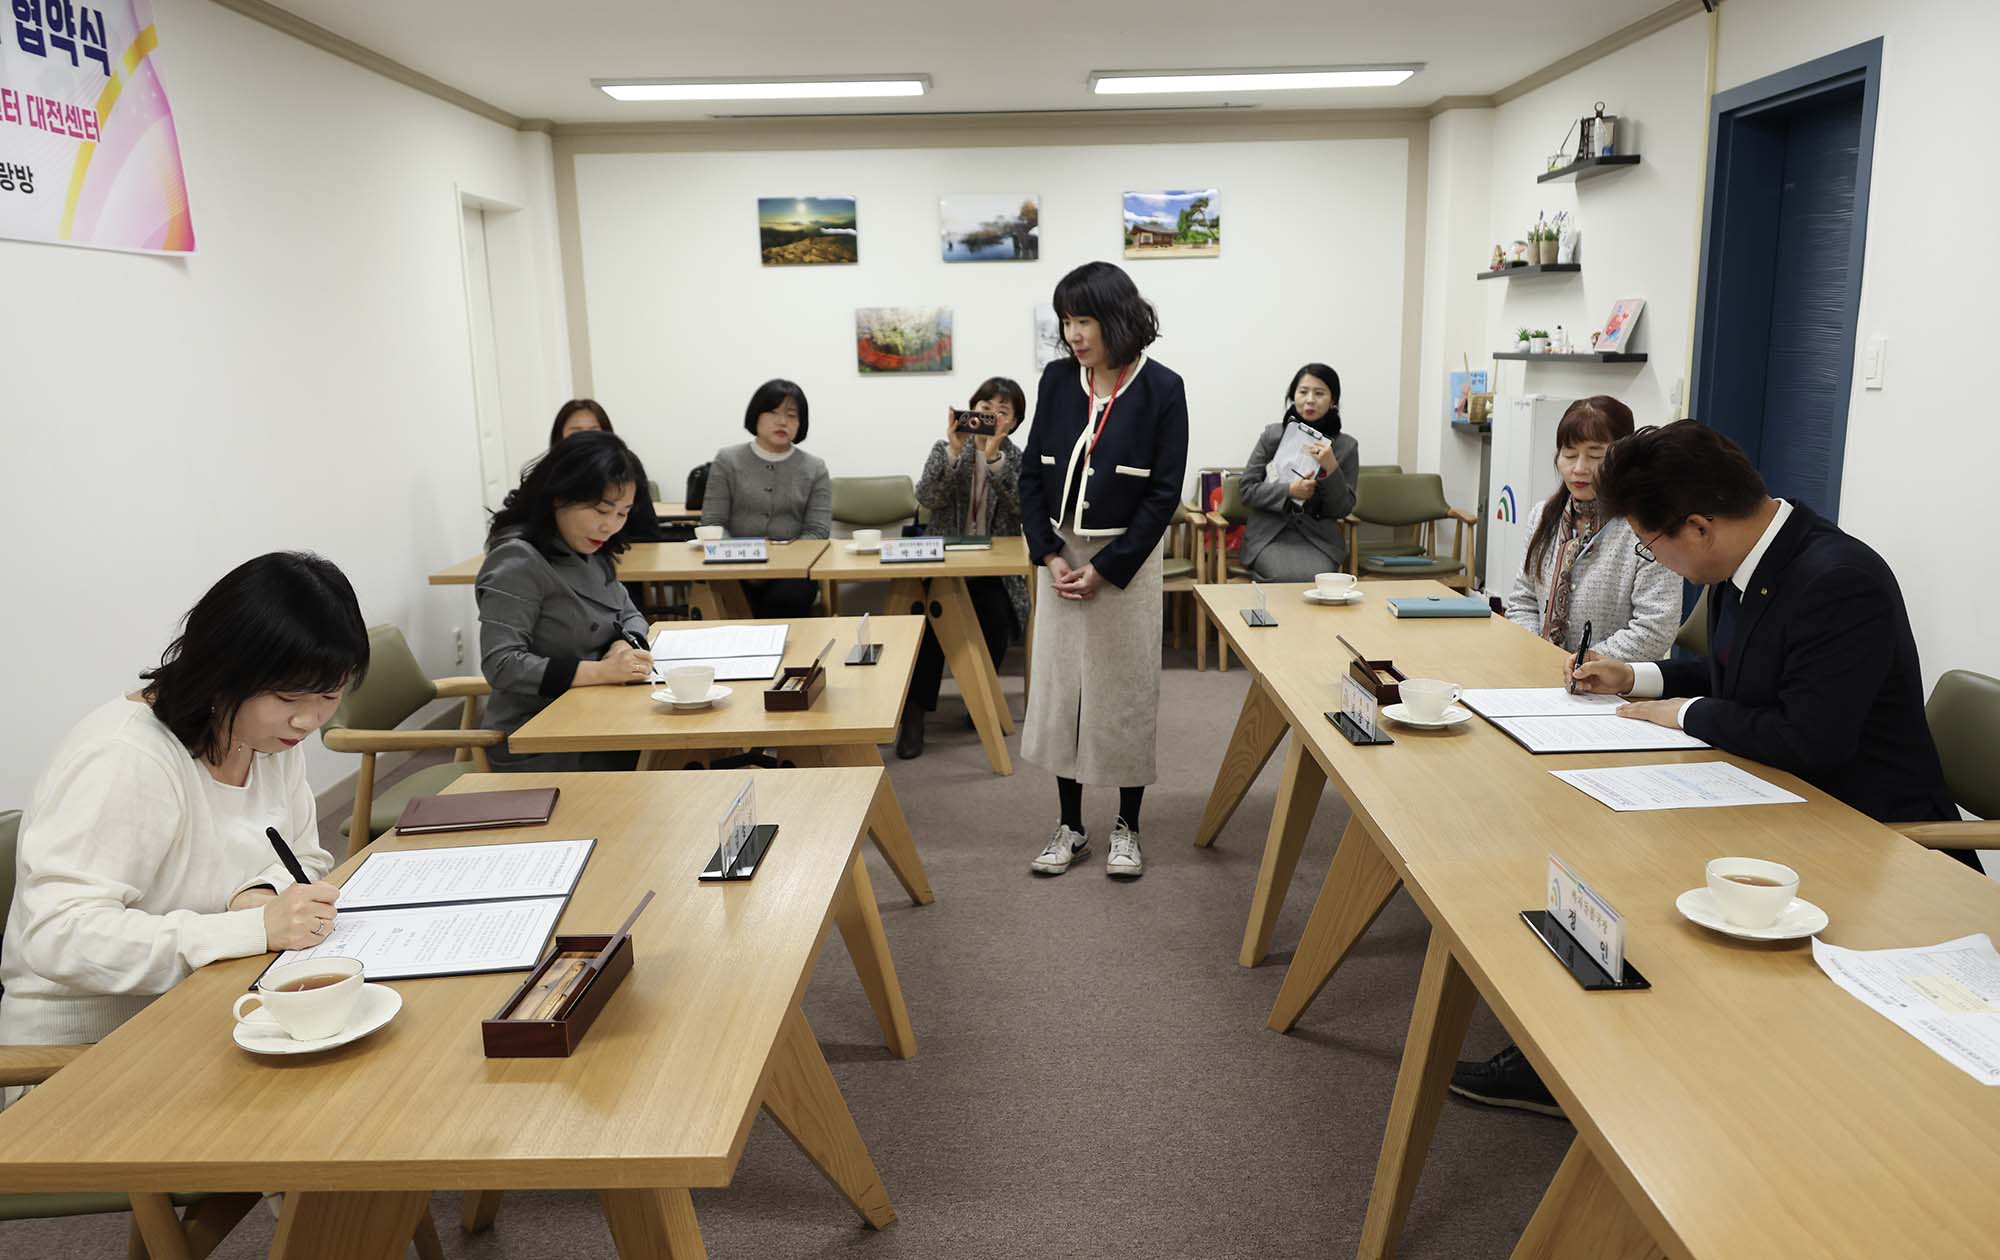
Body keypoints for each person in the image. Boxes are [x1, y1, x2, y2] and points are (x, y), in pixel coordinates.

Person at [1454, 419, 1962, 1119]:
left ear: (1696, 527)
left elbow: (1807, 738)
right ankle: (1578, 1050)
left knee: (1649, 872)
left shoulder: (1840, 581)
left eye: (1648, 543)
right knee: (1607, 834)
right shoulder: (1746, 560)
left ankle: (1616, 1067)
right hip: (1781, 797)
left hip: (1872, 834)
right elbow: (1736, 675)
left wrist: (1688, 714)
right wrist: (1635, 676)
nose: (1653, 557)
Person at [0, 552, 360, 1092]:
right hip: (86, 1056)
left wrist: (257, 892)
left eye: (329, 696)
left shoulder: (271, 738)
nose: (308, 720)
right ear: (226, 672)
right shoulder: (126, 758)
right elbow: (58, 936)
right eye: (289, 697)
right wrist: (248, 926)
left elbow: (303, 859)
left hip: (214, 1004)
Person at [1017, 261, 1189, 879]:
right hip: (1061, 556)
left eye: (1083, 319)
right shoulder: (1059, 381)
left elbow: (1164, 494)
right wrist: (1049, 552)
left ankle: (1127, 827)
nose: (1073, 335)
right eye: (1066, 321)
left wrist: (1109, 567)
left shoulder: (1162, 389)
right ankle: (1070, 826)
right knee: (1064, 694)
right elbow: (1031, 475)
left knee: (1123, 694)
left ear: (1117, 318)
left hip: (1126, 563)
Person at [477, 430, 653, 772]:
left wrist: (621, 646)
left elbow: (630, 614)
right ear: (560, 496)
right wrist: (600, 671)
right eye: (602, 510)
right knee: (662, 762)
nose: (609, 526)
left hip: (592, 713)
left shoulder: (588, 548)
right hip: (537, 736)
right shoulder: (518, 560)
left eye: (622, 513)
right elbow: (502, 664)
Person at [897, 376, 1030, 759]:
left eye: (1002, 412)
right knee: (930, 616)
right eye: (985, 408)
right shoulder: (945, 448)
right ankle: (915, 714)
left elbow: (1022, 508)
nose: (991, 416)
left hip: (995, 574)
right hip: (944, 567)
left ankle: (982, 698)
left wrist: (993, 458)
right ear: (971, 412)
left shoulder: (1018, 458)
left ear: (1014, 423)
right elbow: (926, 497)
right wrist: (956, 453)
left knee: (994, 613)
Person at [1502, 396, 1678, 660]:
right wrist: (1540, 655)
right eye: (1569, 455)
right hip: (1538, 673)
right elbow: (1523, 601)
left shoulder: (1647, 526)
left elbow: (1655, 628)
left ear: (1622, 459)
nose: (1579, 468)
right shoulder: (1543, 516)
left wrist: (1585, 662)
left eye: (1595, 456)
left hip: (1615, 685)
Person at [700, 379, 832, 618]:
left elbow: (817, 531)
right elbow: (713, 522)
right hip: (735, 568)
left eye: (792, 415)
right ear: (756, 416)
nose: (782, 421)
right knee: (725, 596)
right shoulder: (728, 460)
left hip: (793, 571)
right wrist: (742, 561)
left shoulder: (814, 467)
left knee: (786, 599)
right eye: (773, 412)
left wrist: (781, 564)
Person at [1237, 363, 1360, 580]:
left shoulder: (1345, 446)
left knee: (1314, 578)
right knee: (1287, 576)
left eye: (1319, 393)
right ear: (1293, 396)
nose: (1310, 399)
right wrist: (1290, 490)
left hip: (1318, 540)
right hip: (1269, 536)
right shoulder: (1272, 436)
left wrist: (1331, 468)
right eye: (1303, 392)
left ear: (1333, 400)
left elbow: (1342, 509)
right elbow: (1246, 490)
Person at [546, 398, 662, 543]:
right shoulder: (549, 471)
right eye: (576, 433)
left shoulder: (627, 467)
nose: (586, 440)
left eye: (594, 432)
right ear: (560, 437)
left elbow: (647, 531)